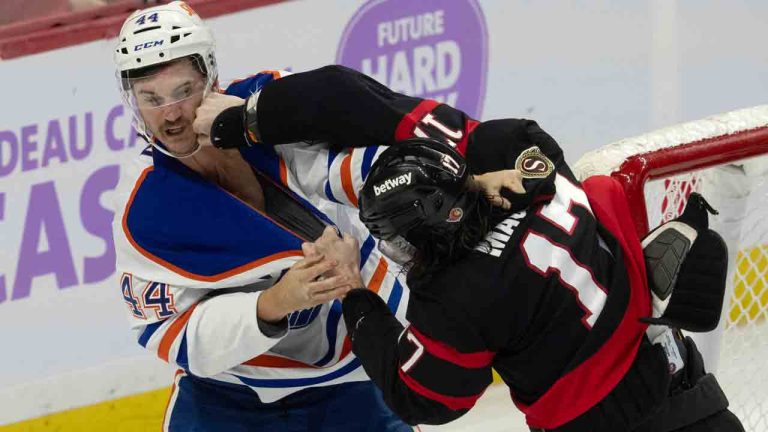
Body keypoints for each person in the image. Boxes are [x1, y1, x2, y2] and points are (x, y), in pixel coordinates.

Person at [193, 65, 745, 431]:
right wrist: (246, 119)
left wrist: (356, 296)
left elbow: (428, 398)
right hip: (692, 391)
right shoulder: (524, 161)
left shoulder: (454, 295)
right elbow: (354, 96)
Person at [111, 3, 417, 431]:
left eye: (182, 90)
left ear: (210, 79)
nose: (171, 115)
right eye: (151, 99)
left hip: (356, 377)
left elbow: (356, 165)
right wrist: (276, 302)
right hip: (227, 401)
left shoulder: (272, 108)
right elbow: (172, 334)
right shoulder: (145, 208)